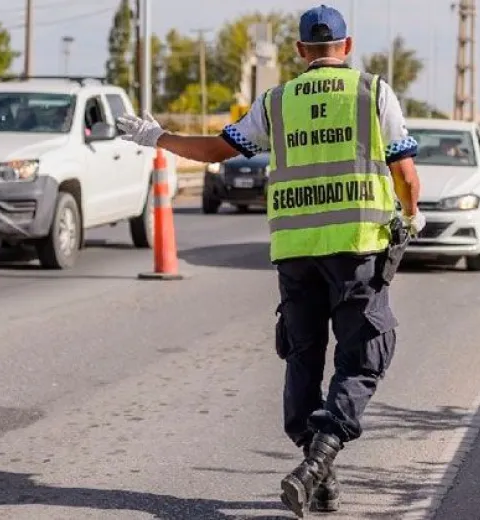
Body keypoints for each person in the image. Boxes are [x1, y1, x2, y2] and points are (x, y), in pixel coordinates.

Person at [115, 4, 424, 517]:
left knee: (303, 356)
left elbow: (218, 150)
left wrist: (158, 137)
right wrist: (411, 217)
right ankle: (318, 460)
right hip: (358, 251)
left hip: (296, 255)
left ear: (301, 52)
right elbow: (406, 174)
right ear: (347, 47)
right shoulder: (372, 91)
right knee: (364, 358)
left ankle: (318, 474)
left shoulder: (276, 101)